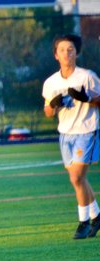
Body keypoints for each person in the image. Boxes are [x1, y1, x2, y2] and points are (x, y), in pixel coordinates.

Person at [42, 34, 100, 239]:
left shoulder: (87, 76)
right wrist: (54, 104)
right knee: (78, 180)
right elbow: (47, 112)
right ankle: (97, 215)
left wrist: (87, 99)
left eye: (70, 49)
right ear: (56, 55)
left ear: (77, 52)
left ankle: (83, 222)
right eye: (62, 50)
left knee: (77, 177)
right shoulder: (51, 82)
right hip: (65, 134)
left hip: (86, 130)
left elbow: (99, 100)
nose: (66, 53)